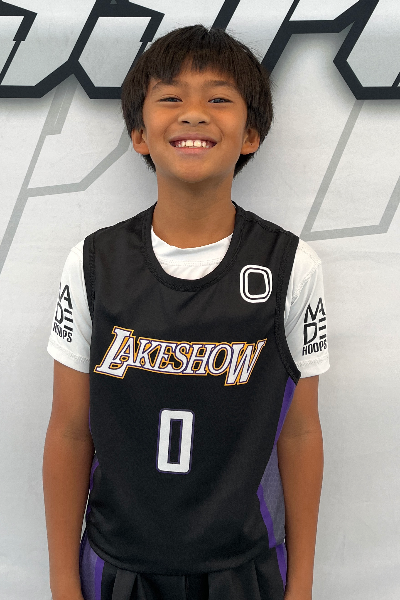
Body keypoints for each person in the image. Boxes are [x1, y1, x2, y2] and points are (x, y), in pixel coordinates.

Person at [43, 25, 328, 600]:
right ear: (139, 134)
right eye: (171, 97)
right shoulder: (94, 262)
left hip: (242, 567)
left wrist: (301, 585)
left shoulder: (291, 265)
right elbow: (70, 430)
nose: (194, 113)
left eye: (219, 98)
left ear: (250, 134)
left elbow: (300, 432)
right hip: (118, 565)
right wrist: (61, 582)